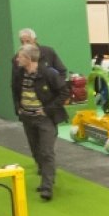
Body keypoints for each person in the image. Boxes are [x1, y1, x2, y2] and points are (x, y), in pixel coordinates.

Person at [13, 47, 70, 201]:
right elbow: (15, 90)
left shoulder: (48, 74)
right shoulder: (19, 74)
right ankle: (46, 177)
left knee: (46, 152)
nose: (17, 59)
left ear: (29, 59)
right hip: (27, 118)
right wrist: (18, 107)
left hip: (45, 119)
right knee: (36, 151)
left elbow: (64, 92)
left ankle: (47, 187)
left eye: (20, 57)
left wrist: (47, 109)